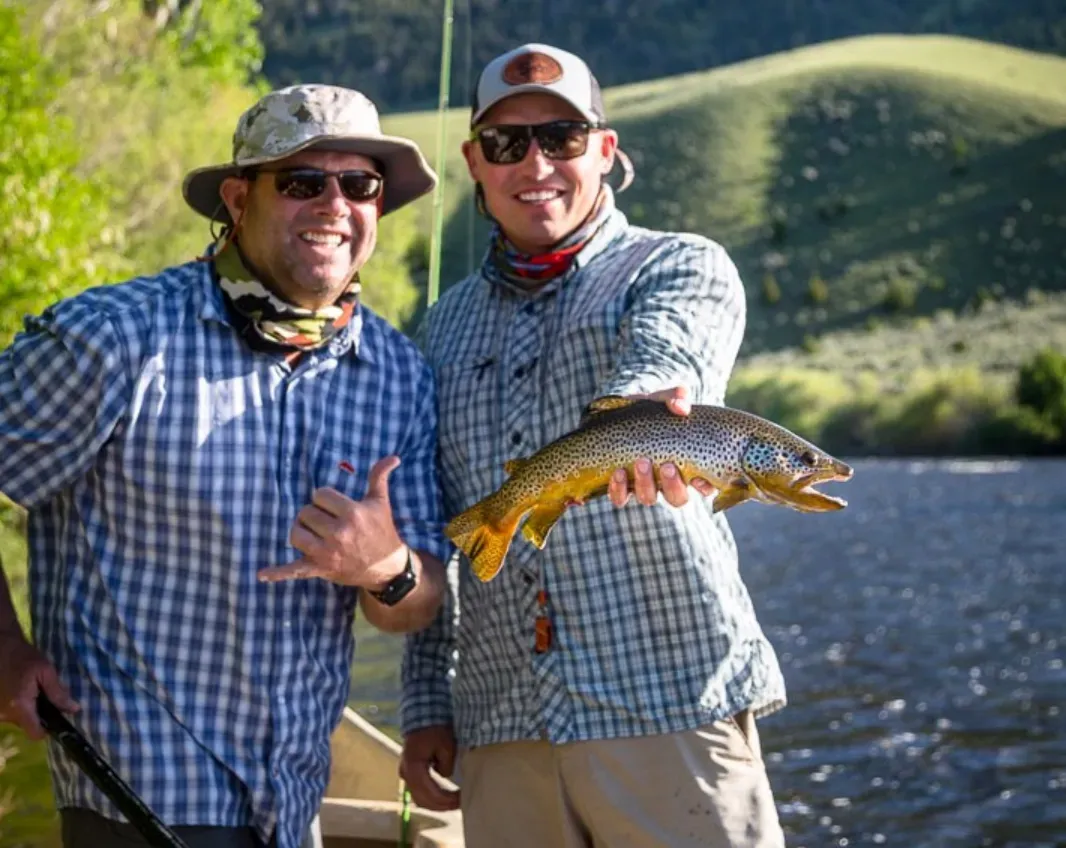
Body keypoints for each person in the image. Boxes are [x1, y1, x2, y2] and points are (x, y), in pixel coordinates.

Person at [0, 84, 451, 848]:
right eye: (303, 183)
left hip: (293, 807)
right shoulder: (113, 338)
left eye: (359, 185)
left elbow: (417, 603)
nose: (335, 205)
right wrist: (4, 648)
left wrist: (389, 568)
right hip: (134, 792)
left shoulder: (399, 373)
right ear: (239, 200)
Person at [398, 43, 788, 847]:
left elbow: (671, 353)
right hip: (501, 721)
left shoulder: (679, 265)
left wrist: (649, 406)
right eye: (508, 144)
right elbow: (439, 526)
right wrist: (427, 706)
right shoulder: (439, 328)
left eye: (563, 138)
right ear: (475, 162)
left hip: (671, 703)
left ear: (606, 153)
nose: (535, 162)